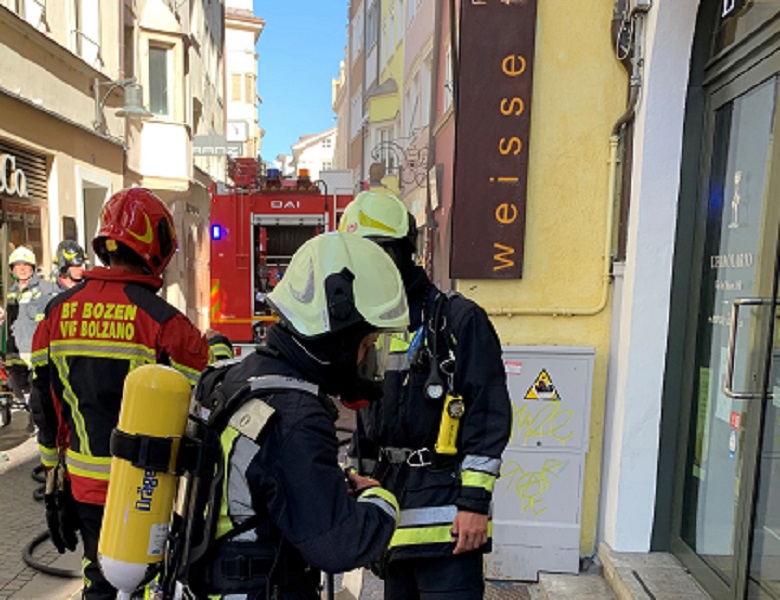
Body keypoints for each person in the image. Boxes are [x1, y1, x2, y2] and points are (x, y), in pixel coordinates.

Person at [170, 232, 409, 599]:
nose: (367, 359)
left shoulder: (237, 375)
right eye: (366, 344)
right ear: (338, 339)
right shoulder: (296, 415)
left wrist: (323, 485)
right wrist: (380, 501)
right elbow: (340, 545)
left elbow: (259, 483)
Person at [29, 187, 211, 600]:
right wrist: (216, 348)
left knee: (99, 577)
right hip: (146, 486)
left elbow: (44, 404)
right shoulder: (162, 321)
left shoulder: (56, 313)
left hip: (83, 484)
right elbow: (207, 387)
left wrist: (54, 474)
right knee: (147, 582)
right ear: (157, 246)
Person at [339, 190, 512, 600]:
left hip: (448, 528)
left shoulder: (457, 320)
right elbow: (362, 422)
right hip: (390, 521)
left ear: (401, 253)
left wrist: (474, 504)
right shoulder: (365, 326)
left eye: (374, 255)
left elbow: (487, 416)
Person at [5, 246, 57, 406]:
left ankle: (37, 423)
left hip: (37, 356)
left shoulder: (46, 290)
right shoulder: (11, 293)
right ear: (12, 269)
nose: (22, 269)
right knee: (22, 395)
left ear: (33, 268)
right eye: (17, 265)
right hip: (17, 357)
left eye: (26, 265)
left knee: (39, 396)